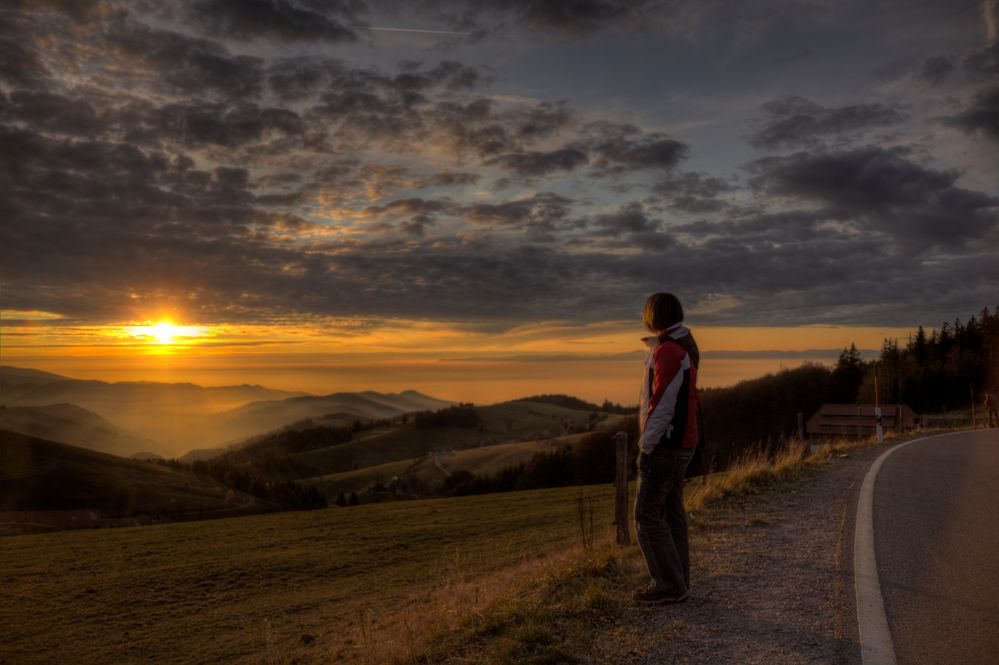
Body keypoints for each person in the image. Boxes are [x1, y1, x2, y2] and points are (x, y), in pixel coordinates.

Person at [632, 292, 701, 605]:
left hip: (666, 446)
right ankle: (679, 581)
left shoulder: (669, 352)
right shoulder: (684, 345)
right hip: (683, 443)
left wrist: (646, 446)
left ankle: (669, 586)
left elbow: (661, 404)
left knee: (646, 515)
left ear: (653, 315)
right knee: (672, 513)